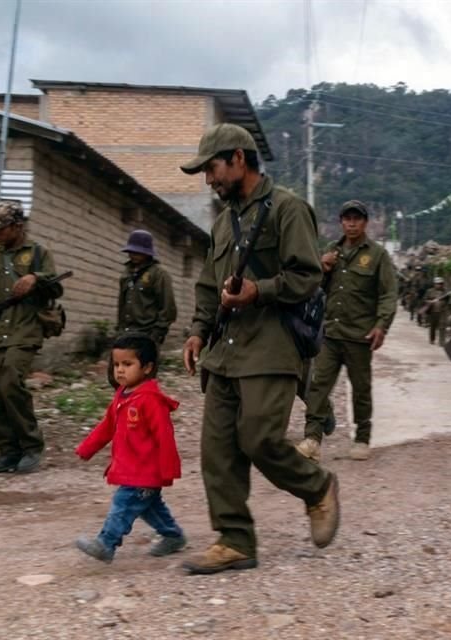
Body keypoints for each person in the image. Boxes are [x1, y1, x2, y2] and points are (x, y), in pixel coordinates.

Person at [180, 123, 340, 574]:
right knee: (217, 450)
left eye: (211, 169)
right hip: (224, 350)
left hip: (271, 346)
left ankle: (317, 487)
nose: (208, 180)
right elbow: (209, 285)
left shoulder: (289, 209)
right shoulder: (220, 223)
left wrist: (259, 291)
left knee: (260, 439)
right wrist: (197, 330)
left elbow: (308, 277)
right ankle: (235, 541)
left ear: (237, 158)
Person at [296, 200, 397, 463]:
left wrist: (381, 326)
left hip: (360, 335)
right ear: (341, 222)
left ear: (365, 223)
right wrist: (322, 266)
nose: (351, 223)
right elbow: (314, 288)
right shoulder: (331, 251)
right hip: (330, 333)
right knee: (317, 386)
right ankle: (313, 439)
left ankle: (362, 438)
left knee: (361, 389)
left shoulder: (377, 255)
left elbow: (388, 294)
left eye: (357, 219)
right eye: (347, 218)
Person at [74, 334, 186, 563]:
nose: (120, 370)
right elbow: (107, 426)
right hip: (132, 467)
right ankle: (173, 535)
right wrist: (87, 448)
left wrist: (168, 468)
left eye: (127, 364)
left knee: (123, 504)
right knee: (149, 507)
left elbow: (164, 436)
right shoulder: (122, 396)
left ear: (147, 367)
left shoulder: (150, 400)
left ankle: (106, 543)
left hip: (146, 470)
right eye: (116, 365)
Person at [0, 200, 63, 474]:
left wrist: (36, 278)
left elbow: (56, 288)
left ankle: (31, 446)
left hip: (26, 329)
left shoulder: (38, 253)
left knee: (12, 380)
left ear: (17, 227)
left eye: (1, 229)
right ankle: (7, 452)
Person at [109, 230, 177, 387]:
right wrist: (119, 331)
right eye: (131, 251)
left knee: (143, 381)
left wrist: (156, 335)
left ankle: (143, 411)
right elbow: (122, 304)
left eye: (137, 252)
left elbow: (168, 309)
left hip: (147, 334)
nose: (133, 255)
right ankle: (123, 410)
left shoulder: (159, 274)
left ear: (147, 253)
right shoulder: (126, 274)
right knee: (118, 379)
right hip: (125, 333)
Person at [425, 276, 448, 345]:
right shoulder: (429, 291)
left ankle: (442, 341)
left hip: (442, 311)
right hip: (433, 311)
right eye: (437, 284)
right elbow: (425, 300)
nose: (439, 285)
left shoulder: (445, 292)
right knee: (433, 326)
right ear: (434, 284)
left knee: (442, 326)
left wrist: (443, 302)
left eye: (440, 284)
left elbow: (448, 301)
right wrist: (430, 301)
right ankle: (432, 339)